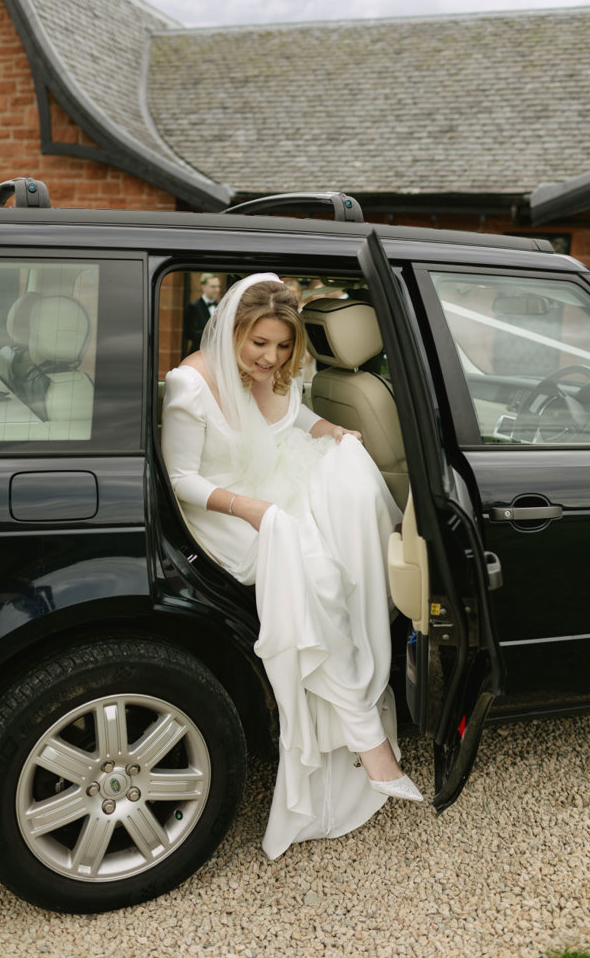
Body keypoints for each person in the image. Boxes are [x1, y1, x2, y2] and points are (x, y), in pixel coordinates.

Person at [161, 272, 422, 860]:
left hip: (268, 489)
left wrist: (332, 430)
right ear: (233, 329)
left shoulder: (274, 373)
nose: (271, 358)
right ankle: (367, 738)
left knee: (334, 547)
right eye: (260, 344)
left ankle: (359, 726)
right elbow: (182, 479)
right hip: (221, 507)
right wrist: (252, 509)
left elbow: (291, 421)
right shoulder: (189, 384)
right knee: (314, 569)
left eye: (282, 346)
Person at [184, 273, 221, 353]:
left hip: (216, 354)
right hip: (198, 352)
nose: (217, 290)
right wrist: (211, 335)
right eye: (213, 287)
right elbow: (189, 333)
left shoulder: (220, 307)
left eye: (218, 286)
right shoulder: (194, 307)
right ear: (203, 287)